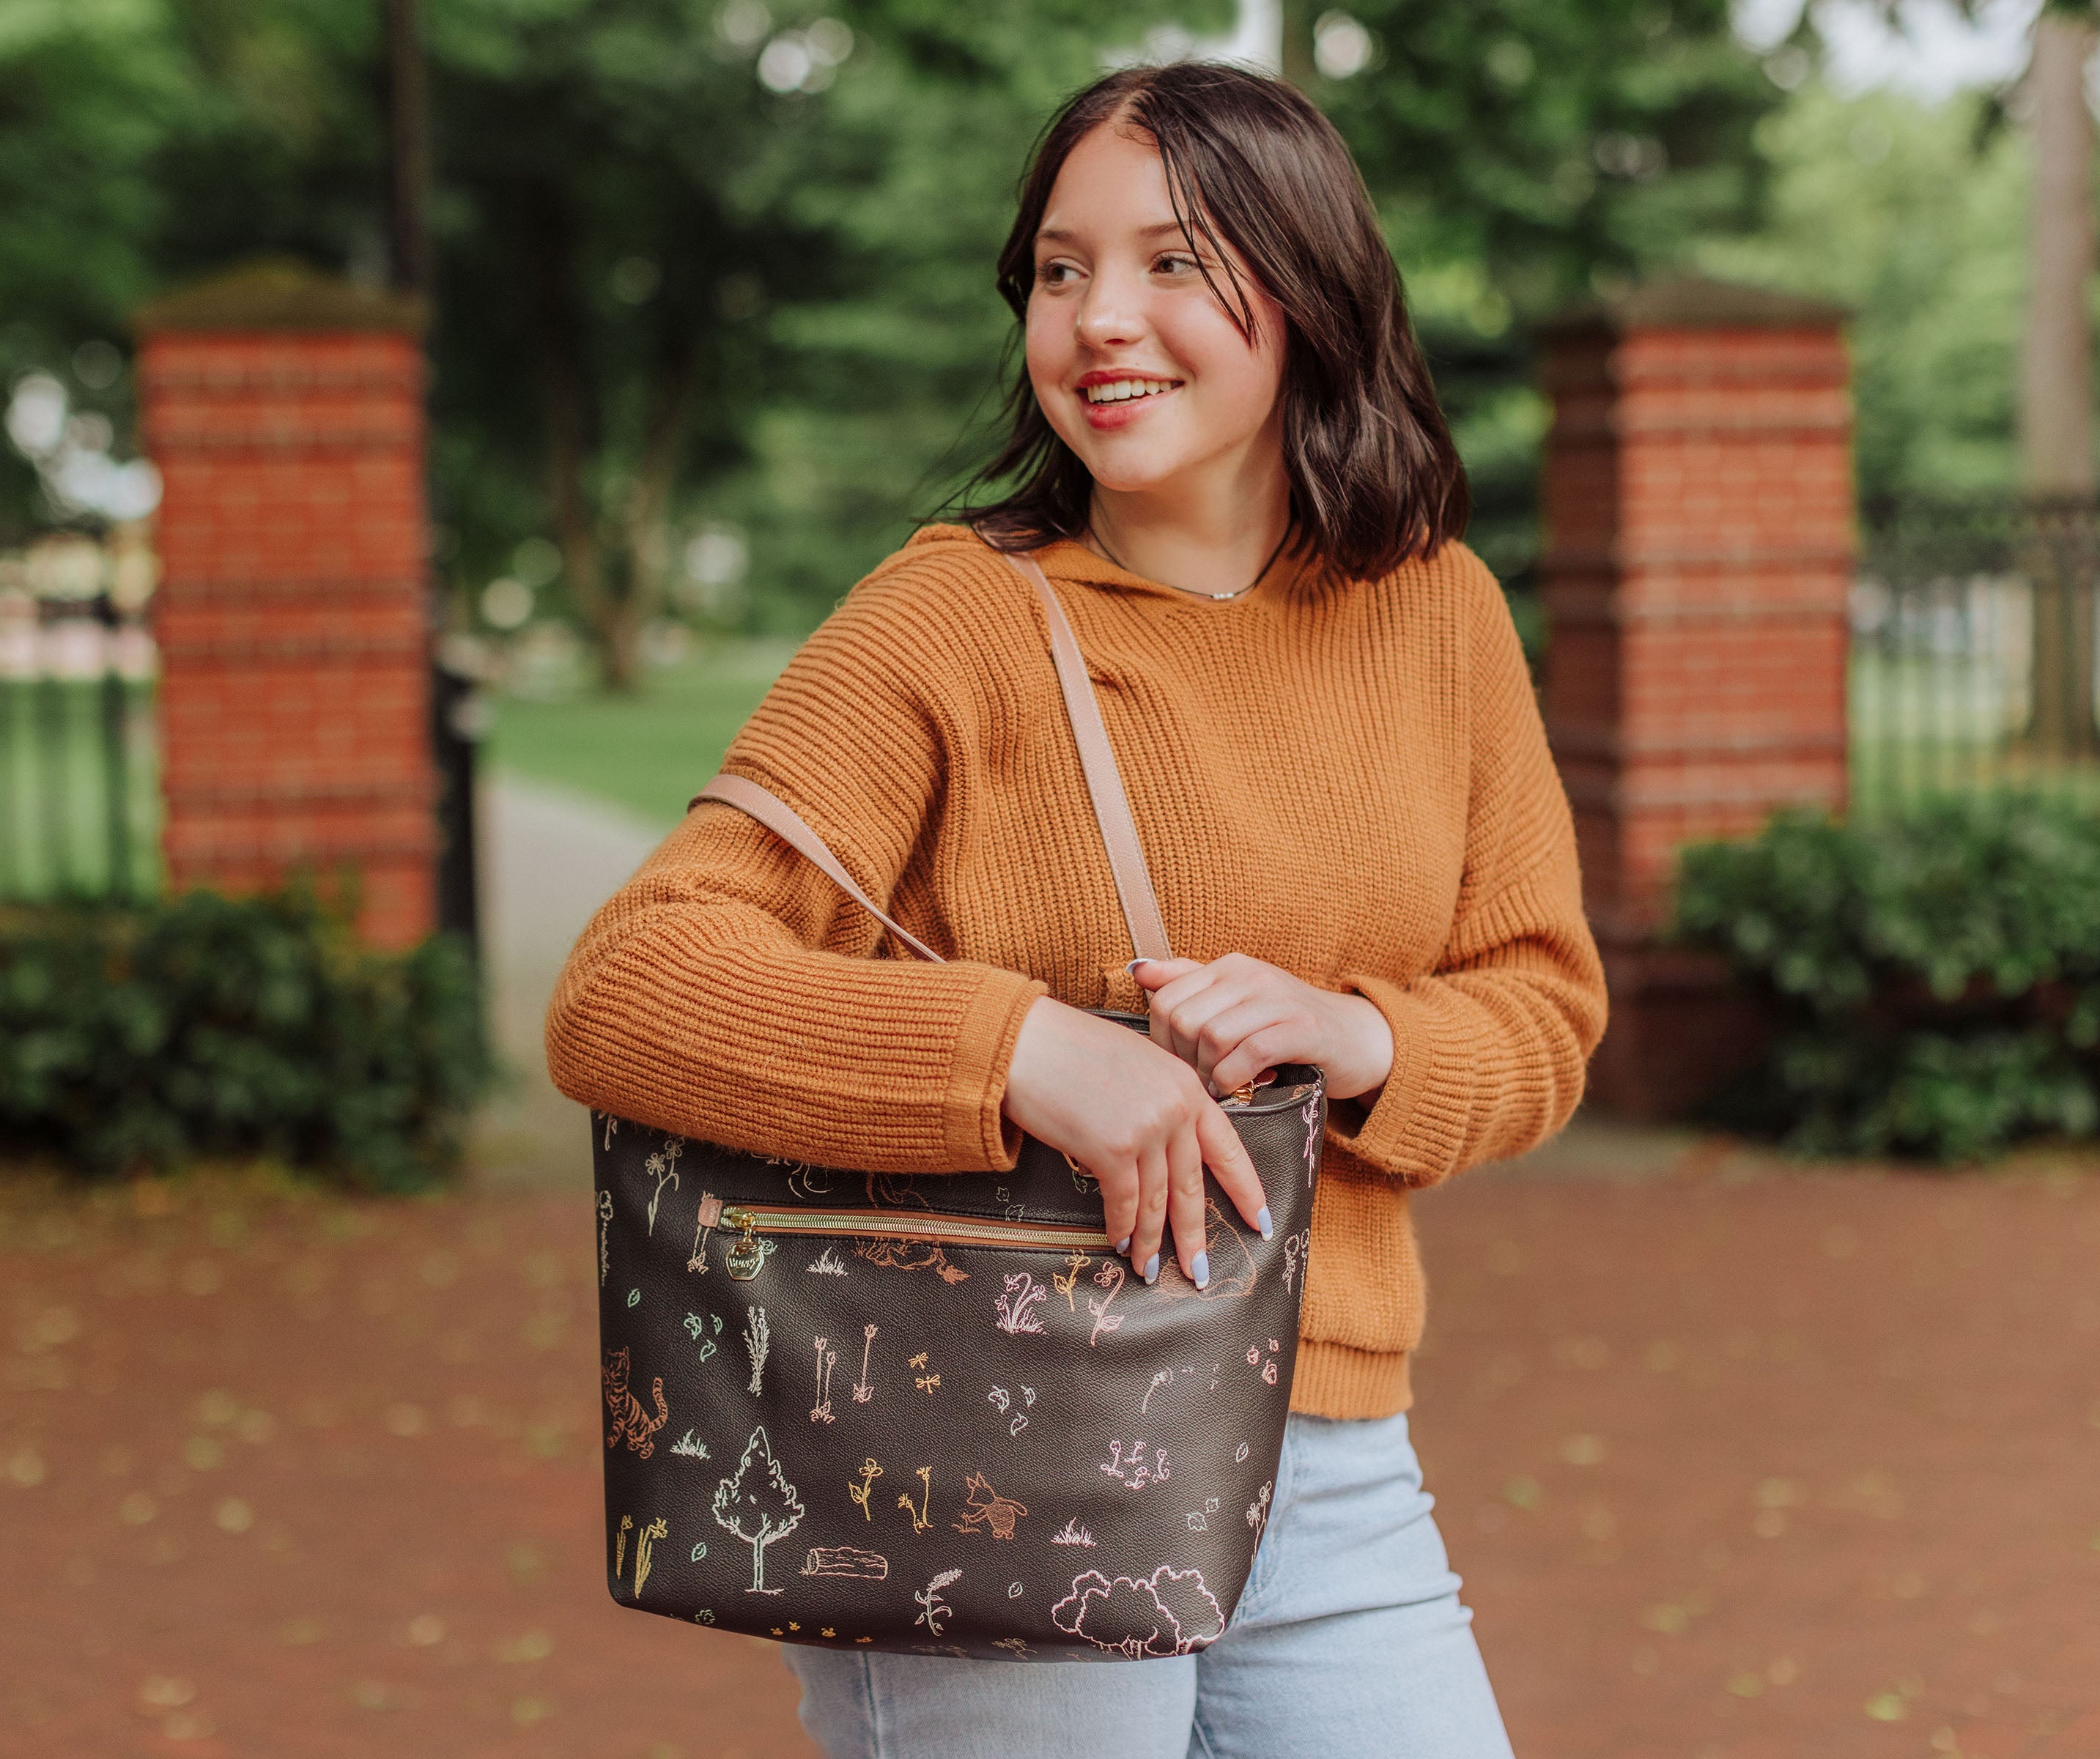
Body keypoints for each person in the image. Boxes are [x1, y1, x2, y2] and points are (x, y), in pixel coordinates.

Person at [547, 59, 1605, 1759]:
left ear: (1312, 291)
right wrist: (1021, 1047)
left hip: (1332, 1459)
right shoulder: (946, 616)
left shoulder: (1440, 613)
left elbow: (1544, 1006)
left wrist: (1366, 1034)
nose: (1103, 319)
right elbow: (628, 985)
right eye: (1061, 269)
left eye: (1175, 261)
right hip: (987, 1446)